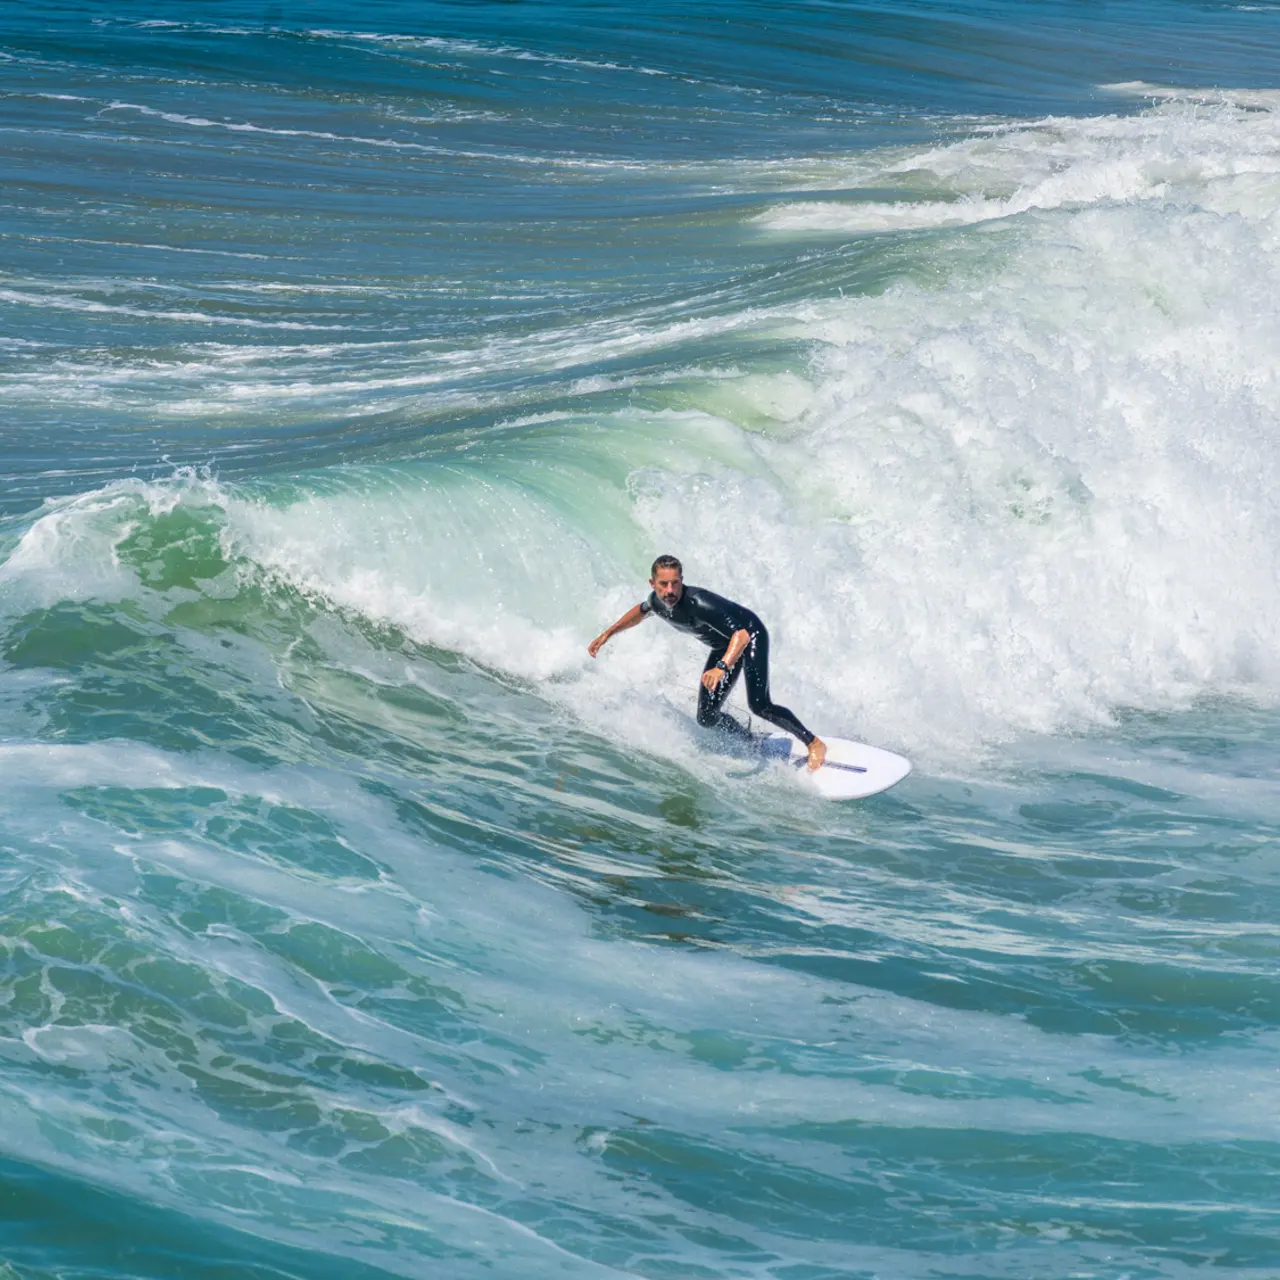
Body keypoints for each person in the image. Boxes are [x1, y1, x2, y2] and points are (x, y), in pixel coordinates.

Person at [588, 554, 827, 770]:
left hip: (750, 636)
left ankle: (813, 742)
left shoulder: (698, 604)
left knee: (759, 704)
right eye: (663, 584)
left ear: (682, 580)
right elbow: (640, 612)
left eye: (675, 583)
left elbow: (742, 635)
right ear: (653, 584)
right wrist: (607, 634)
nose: (670, 590)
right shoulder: (656, 601)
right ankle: (747, 738)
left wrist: (721, 667)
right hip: (724, 647)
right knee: (706, 717)